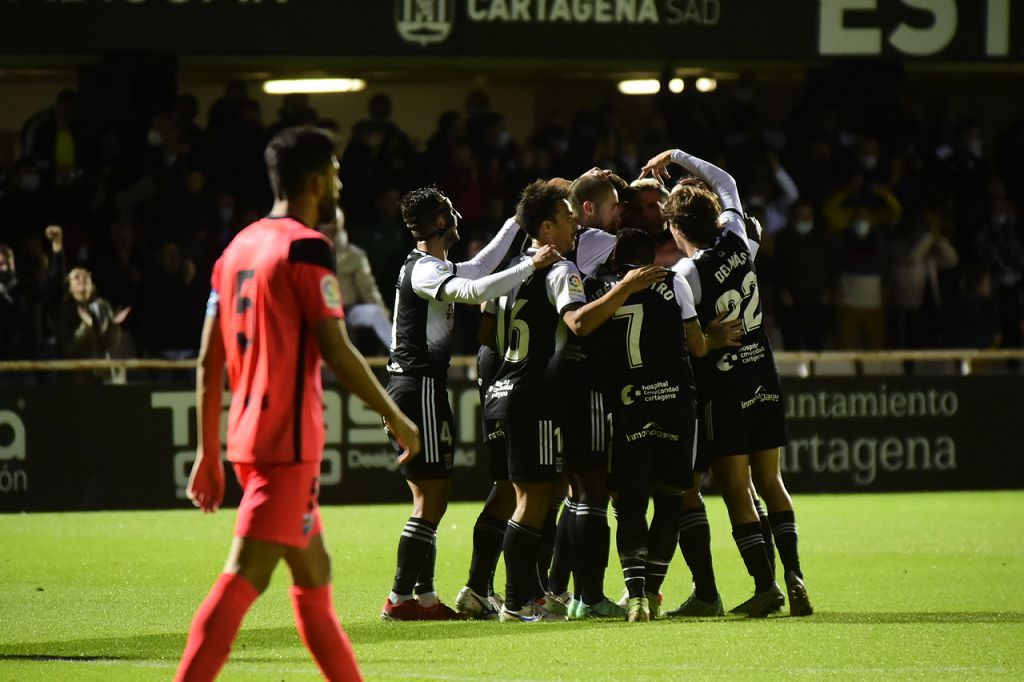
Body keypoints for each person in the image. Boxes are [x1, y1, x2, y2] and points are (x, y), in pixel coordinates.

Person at [176, 126, 420, 682]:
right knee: (244, 578)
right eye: (335, 171)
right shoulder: (307, 248)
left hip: (250, 437)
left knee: (315, 580)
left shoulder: (236, 247)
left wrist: (208, 453)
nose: (340, 181)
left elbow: (208, 362)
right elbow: (336, 350)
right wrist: (396, 417)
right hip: (286, 444)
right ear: (315, 181)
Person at [482, 180, 664, 622]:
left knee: (528, 498)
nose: (574, 227)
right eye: (567, 220)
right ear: (546, 228)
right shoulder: (561, 270)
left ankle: (527, 595)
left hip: (501, 393)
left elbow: (486, 335)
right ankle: (518, 600)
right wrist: (624, 288)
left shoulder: (509, 273)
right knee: (534, 502)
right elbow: (579, 323)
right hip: (536, 398)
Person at [644, 147, 812, 618]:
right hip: (765, 371)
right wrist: (676, 157)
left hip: (727, 385)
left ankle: (765, 586)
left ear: (676, 229)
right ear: (714, 218)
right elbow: (728, 183)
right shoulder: (740, 240)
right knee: (772, 481)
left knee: (738, 487)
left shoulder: (685, 274)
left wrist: (711, 340)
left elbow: (687, 340)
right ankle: (795, 575)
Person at [381, 185, 560, 621]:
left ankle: (422, 597)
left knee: (431, 497)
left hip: (422, 387)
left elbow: (479, 266)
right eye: (449, 210)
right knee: (431, 499)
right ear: (440, 223)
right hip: (416, 384)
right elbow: (474, 289)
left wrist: (521, 218)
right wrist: (530, 266)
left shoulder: (433, 264)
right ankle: (400, 598)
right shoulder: (424, 270)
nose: (457, 215)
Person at [585, 229, 741, 621]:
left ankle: (635, 595)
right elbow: (698, 346)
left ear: (618, 257)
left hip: (627, 405)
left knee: (630, 504)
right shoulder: (673, 281)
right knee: (672, 498)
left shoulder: (600, 286)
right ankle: (652, 591)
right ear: (653, 257)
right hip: (674, 404)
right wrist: (713, 338)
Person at [318, 207, 393, 354]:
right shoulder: (309, 254)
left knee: (375, 312)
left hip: (348, 312)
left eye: (333, 225)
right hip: (320, 314)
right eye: (325, 224)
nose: (329, 228)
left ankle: (405, 359)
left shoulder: (354, 255)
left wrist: (380, 306)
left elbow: (367, 287)